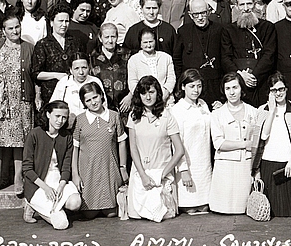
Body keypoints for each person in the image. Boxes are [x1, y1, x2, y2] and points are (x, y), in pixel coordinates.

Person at [0, 13, 36, 199]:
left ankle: (18, 177)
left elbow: (34, 74)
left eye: (17, 27)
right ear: (3, 30)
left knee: (20, 140)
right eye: (10, 28)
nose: (15, 31)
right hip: (0, 102)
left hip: (21, 101)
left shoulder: (28, 48)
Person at [126, 76, 187, 222]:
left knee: (164, 216)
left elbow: (179, 150)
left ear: (158, 93)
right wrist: (143, 176)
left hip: (162, 175)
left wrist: (162, 175)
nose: (148, 97)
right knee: (138, 217)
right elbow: (133, 149)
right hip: (140, 174)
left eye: (151, 92)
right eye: (144, 93)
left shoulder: (167, 116)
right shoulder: (133, 116)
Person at [253, 72, 291, 217]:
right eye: (274, 90)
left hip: (289, 165)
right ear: (269, 92)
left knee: (289, 211)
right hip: (269, 163)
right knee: (270, 211)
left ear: (286, 89)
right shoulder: (262, 110)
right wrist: (271, 111)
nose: (278, 93)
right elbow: (263, 136)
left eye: (281, 89)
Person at [22, 100, 83, 229]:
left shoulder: (66, 137)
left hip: (57, 180)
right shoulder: (35, 134)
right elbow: (27, 169)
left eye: (64, 117)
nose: (60, 121)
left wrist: (61, 186)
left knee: (75, 203)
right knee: (61, 224)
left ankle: (53, 208)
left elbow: (66, 167)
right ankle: (32, 204)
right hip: (38, 184)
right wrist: (46, 188)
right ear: (48, 114)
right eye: (57, 116)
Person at [72, 83, 127, 218]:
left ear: (101, 95)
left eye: (95, 97)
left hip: (109, 170)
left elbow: (122, 143)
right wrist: (75, 174)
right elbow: (75, 148)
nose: (93, 102)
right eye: (88, 100)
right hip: (88, 172)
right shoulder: (80, 120)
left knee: (111, 213)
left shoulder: (114, 116)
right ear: (84, 103)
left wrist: (123, 168)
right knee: (89, 214)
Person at [209, 73, 262, 214]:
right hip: (224, 168)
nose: (232, 92)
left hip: (245, 167)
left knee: (244, 209)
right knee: (223, 211)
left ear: (241, 89)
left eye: (235, 87)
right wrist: (245, 144)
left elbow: (258, 141)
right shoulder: (217, 114)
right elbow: (219, 143)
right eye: (227, 88)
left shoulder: (253, 112)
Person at [221, 0, 277, 106]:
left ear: (255, 4)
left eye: (249, 4)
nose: (246, 8)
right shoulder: (229, 30)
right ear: (236, 6)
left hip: (261, 82)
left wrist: (254, 76)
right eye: (242, 5)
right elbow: (225, 57)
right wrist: (240, 75)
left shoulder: (267, 27)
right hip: (238, 83)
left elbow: (269, 55)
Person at [171, 69, 214, 215]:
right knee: (190, 208)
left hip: (204, 165)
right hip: (188, 165)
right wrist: (183, 170)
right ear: (183, 87)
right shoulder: (177, 110)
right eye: (192, 86)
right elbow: (177, 143)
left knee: (205, 207)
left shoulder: (203, 105)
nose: (196, 90)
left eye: (199, 86)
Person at [173, 0, 224, 107]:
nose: (200, 18)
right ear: (190, 15)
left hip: (214, 87)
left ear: (208, 12)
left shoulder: (219, 30)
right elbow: (177, 60)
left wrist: (222, 95)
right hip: (191, 87)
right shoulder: (183, 31)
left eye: (203, 13)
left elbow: (224, 59)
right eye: (196, 14)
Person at [92, 22, 130, 113]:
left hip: (125, 104)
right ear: (100, 38)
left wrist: (130, 96)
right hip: (102, 106)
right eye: (106, 37)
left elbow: (135, 77)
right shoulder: (92, 57)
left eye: (113, 37)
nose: (110, 41)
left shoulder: (127, 54)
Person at [128, 27, 177, 97]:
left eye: (151, 41)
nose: (148, 45)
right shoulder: (133, 60)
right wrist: (143, 97)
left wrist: (165, 94)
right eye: (145, 42)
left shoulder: (166, 57)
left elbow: (171, 78)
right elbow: (132, 82)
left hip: (165, 98)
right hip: (144, 99)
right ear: (140, 44)